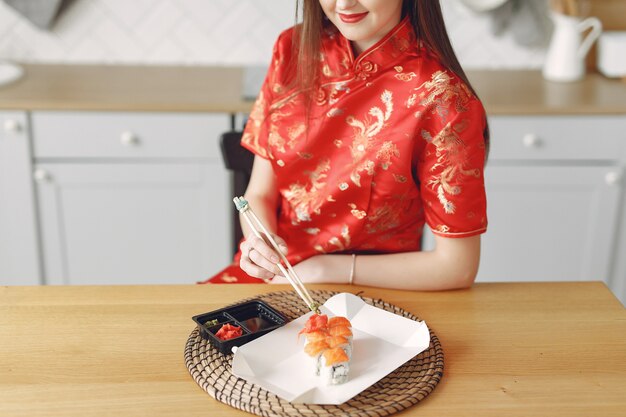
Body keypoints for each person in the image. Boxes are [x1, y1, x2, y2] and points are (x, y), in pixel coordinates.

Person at [202, 0, 489, 290]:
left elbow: (457, 267)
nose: (343, 3)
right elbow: (260, 194)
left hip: (374, 293)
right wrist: (258, 242)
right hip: (273, 278)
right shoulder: (293, 48)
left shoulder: (442, 98)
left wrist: (326, 268)